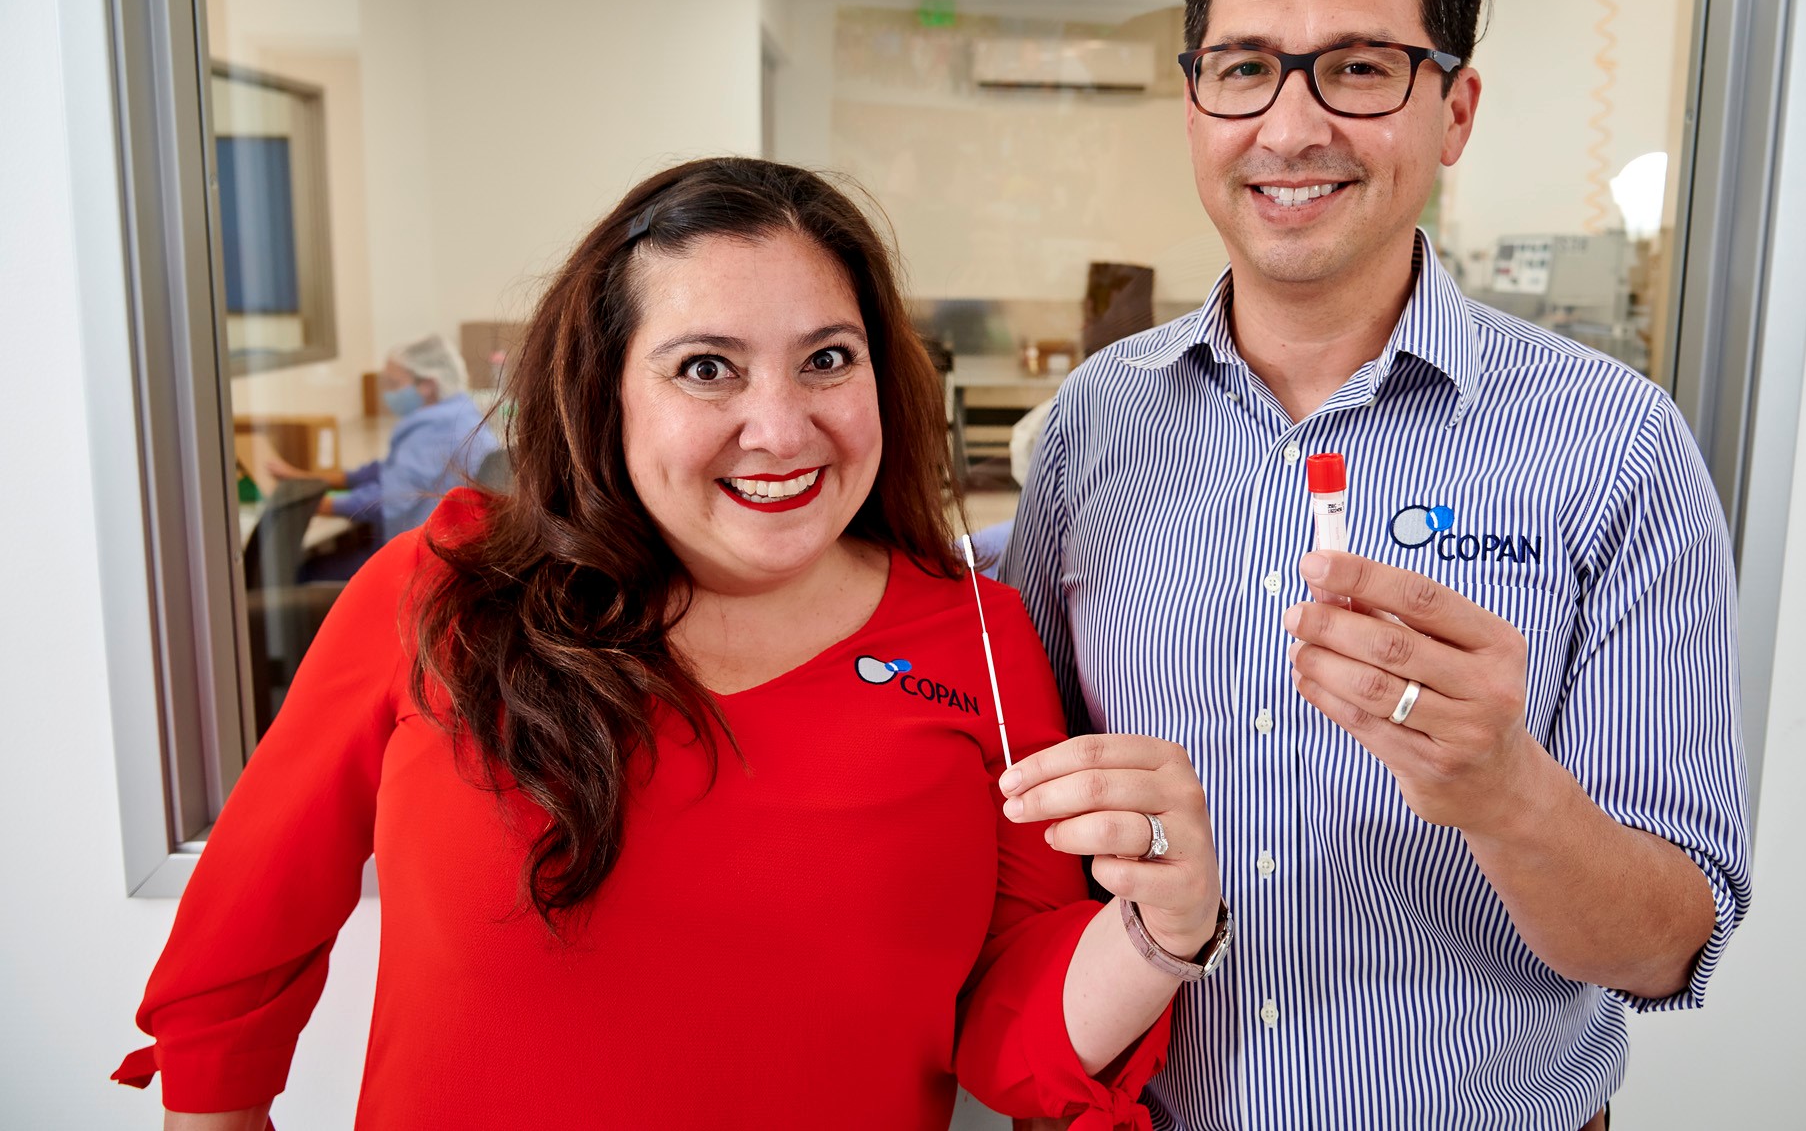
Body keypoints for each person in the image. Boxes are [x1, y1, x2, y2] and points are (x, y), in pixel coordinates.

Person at [114, 158, 1230, 1129]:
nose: (782, 427)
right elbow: (237, 958)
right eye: (707, 367)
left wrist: (1161, 928)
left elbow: (1009, 1032)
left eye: (827, 359)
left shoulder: (976, 635)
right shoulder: (442, 595)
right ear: (606, 391)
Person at [998, 0, 1752, 1131]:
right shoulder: (1094, 428)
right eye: (1242, 70)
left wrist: (1502, 789)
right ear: (1193, 106)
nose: (1289, 128)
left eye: (1357, 68)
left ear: (1453, 109)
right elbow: (1021, 852)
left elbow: (1668, 946)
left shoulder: (1611, 444)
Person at [267, 334, 500, 546]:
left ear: (428, 385)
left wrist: (307, 506)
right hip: (439, 542)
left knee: (309, 571)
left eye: (395, 384)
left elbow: (388, 499)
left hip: (424, 556)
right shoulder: (458, 411)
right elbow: (388, 472)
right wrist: (302, 478)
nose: (387, 393)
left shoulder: (437, 428)